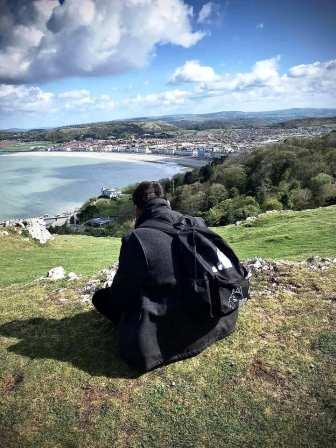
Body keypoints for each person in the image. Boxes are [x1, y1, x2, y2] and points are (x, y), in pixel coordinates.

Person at [92, 181, 239, 372]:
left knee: (101, 298)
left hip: (159, 343)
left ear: (136, 209)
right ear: (167, 203)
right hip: (219, 318)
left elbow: (122, 296)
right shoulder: (196, 223)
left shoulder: (136, 239)